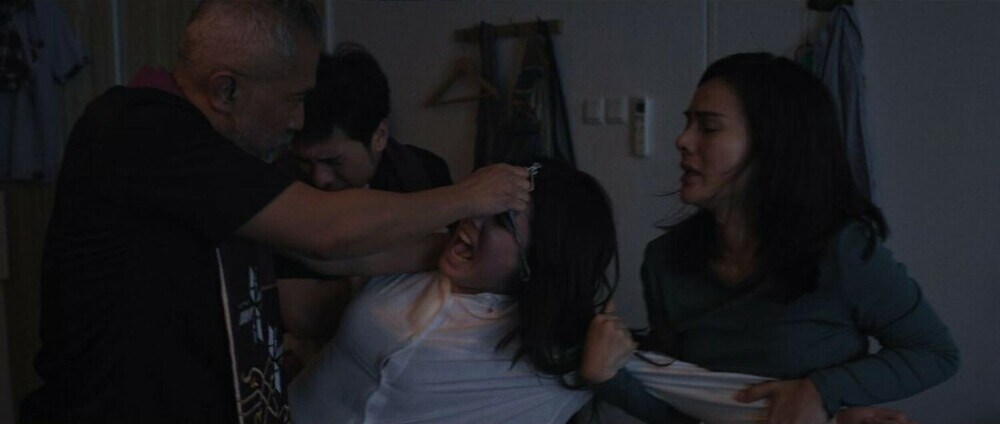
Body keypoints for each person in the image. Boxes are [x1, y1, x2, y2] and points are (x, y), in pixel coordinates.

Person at [20, 1, 529, 423]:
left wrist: (460, 251)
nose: (298, 119)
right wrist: (469, 196)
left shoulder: (221, 162)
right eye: (294, 98)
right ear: (226, 90)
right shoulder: (139, 127)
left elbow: (329, 260)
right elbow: (324, 231)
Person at [580, 53, 959, 424]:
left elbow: (935, 353)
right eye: (688, 124)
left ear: (772, 145)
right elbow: (682, 408)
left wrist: (821, 391)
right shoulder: (665, 260)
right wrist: (604, 377)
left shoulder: (841, 249)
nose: (682, 140)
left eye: (708, 127)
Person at [288, 159, 617, 424]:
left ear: (540, 262)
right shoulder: (431, 251)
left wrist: (606, 379)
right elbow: (318, 248)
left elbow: (646, 393)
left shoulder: (559, 351)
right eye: (486, 202)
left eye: (502, 221)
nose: (474, 216)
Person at [276, 42, 454, 372]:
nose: (319, 178)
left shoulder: (424, 172)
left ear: (380, 136)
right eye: (305, 161)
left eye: (333, 161)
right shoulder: (283, 185)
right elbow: (302, 317)